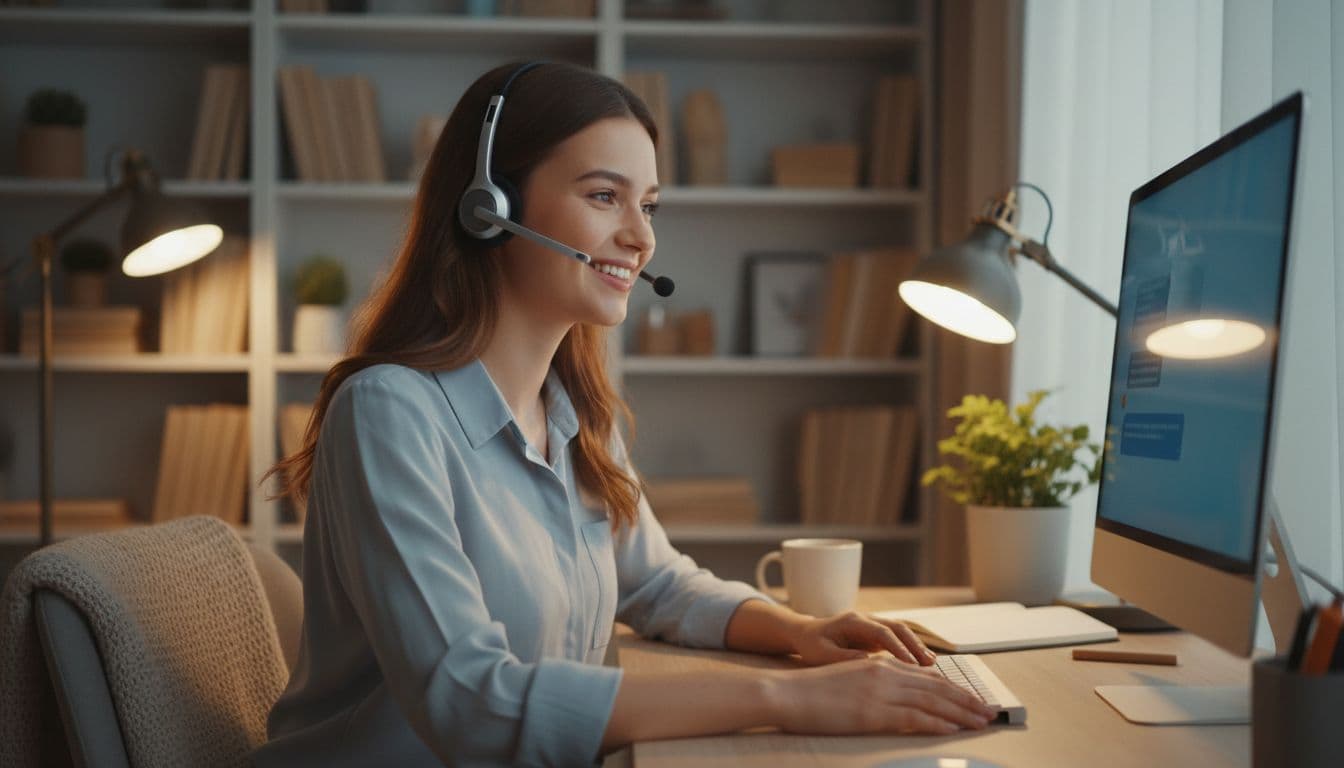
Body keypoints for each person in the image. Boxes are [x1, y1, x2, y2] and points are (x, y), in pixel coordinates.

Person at [253, 61, 994, 767]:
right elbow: (469, 701)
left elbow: (659, 585)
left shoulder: (575, 416)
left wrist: (802, 635)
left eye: (649, 205)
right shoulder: (389, 413)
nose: (641, 237)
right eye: (604, 196)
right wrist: (790, 698)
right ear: (491, 208)